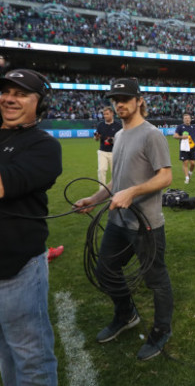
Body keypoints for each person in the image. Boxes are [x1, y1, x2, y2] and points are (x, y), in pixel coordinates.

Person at [73, 78, 174, 361]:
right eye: (115, 99)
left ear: (139, 100)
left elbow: (166, 176)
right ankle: (126, 313)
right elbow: (117, 183)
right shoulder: (118, 136)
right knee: (105, 269)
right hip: (119, 221)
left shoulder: (151, 134)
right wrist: (93, 199)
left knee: (156, 280)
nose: (119, 103)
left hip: (146, 224)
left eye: (125, 98)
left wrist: (134, 191)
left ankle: (161, 330)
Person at [0, 69, 61, 385]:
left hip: (18, 271)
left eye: (21, 93)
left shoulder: (44, 146)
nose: (9, 98)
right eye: (6, 91)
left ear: (42, 104)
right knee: (6, 356)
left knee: (31, 360)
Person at [173, 112, 195, 184]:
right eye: (185, 118)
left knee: (193, 163)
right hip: (184, 148)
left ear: (190, 119)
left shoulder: (194, 126)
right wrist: (181, 137)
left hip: (192, 147)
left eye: (188, 118)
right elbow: (174, 136)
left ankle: (190, 173)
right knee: (185, 163)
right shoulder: (180, 127)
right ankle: (187, 178)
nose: (187, 119)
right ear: (183, 120)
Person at [94, 106, 122, 188]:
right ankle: (102, 190)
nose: (105, 116)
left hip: (114, 152)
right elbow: (96, 139)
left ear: (112, 114)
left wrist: (112, 140)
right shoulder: (100, 125)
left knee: (115, 172)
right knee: (101, 170)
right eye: (104, 114)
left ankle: (115, 188)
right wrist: (96, 137)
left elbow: (122, 139)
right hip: (102, 151)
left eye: (107, 114)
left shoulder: (118, 125)